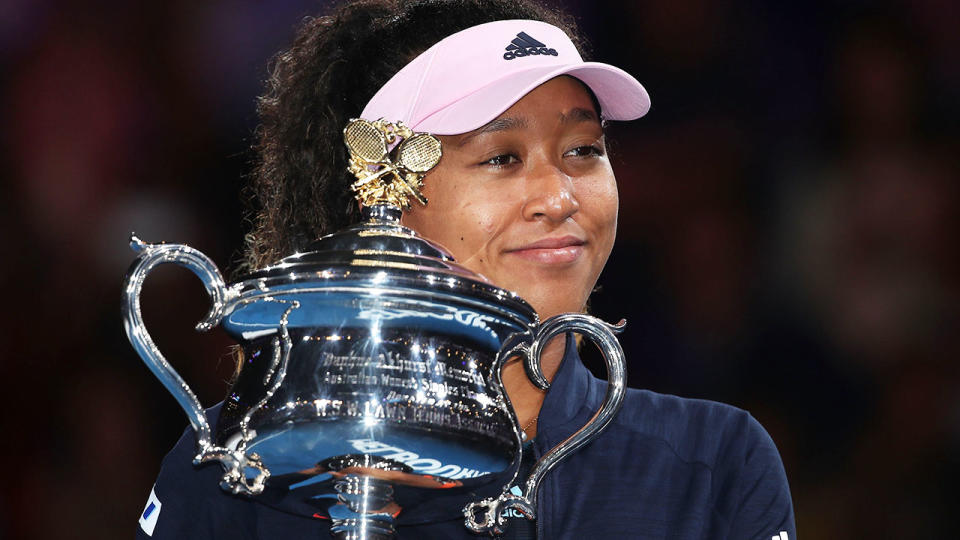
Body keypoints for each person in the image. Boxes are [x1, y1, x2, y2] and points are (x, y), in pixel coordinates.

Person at [138, 1, 796, 538]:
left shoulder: (714, 465)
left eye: (583, 149)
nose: (559, 197)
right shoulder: (237, 468)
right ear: (384, 196)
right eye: (502, 158)